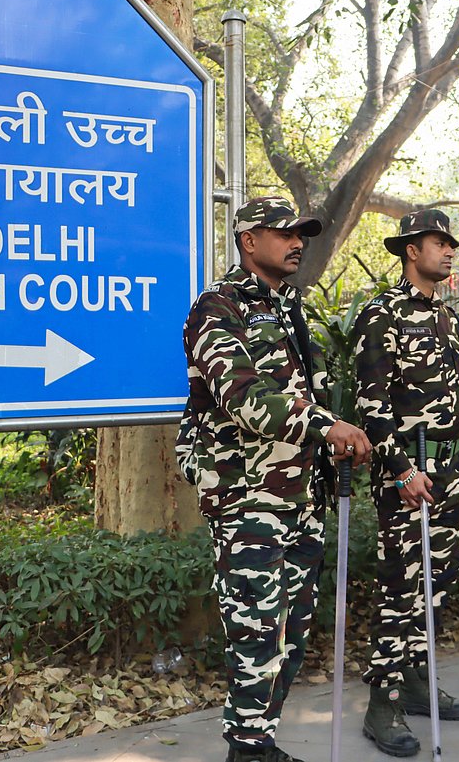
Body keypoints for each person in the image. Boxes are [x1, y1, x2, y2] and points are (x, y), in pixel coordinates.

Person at [177, 196, 372, 762]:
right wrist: (326, 424)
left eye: (301, 234)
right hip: (247, 498)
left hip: (300, 496)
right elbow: (245, 401)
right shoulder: (217, 308)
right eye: (282, 232)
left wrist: (325, 443)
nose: (296, 242)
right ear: (247, 240)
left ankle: (256, 739)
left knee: (292, 632)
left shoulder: (290, 308)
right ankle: (247, 746)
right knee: (257, 630)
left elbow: (302, 393)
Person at [353, 209, 459, 757]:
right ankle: (383, 705)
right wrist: (402, 468)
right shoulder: (381, 314)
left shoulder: (448, 316)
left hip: (450, 472)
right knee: (402, 592)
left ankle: (420, 684)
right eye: (437, 243)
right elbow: (371, 404)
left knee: (437, 586)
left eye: (450, 243)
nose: (448, 251)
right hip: (408, 476)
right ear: (410, 251)